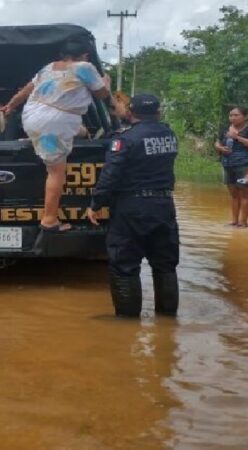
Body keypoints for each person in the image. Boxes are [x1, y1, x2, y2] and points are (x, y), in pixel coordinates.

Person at [2, 39, 111, 231]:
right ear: (84, 55)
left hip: (32, 117)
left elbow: (27, 89)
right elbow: (101, 95)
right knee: (56, 172)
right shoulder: (84, 66)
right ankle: (49, 219)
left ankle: (39, 140)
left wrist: (11, 105)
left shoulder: (49, 67)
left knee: (82, 132)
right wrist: (106, 83)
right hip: (53, 123)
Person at [87, 94, 179, 317]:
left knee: (124, 266)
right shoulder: (169, 135)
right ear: (158, 112)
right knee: (165, 265)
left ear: (131, 112)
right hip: (164, 205)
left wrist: (96, 203)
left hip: (132, 207)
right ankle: (167, 323)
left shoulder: (125, 140)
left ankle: (127, 326)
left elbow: (110, 175)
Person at [215, 106, 248, 228]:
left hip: (245, 164)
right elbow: (217, 142)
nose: (233, 118)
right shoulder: (225, 129)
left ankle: (243, 221)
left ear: (245, 117)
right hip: (228, 164)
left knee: (244, 193)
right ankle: (235, 221)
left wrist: (237, 137)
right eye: (231, 115)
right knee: (234, 194)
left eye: (236, 115)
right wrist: (220, 148)